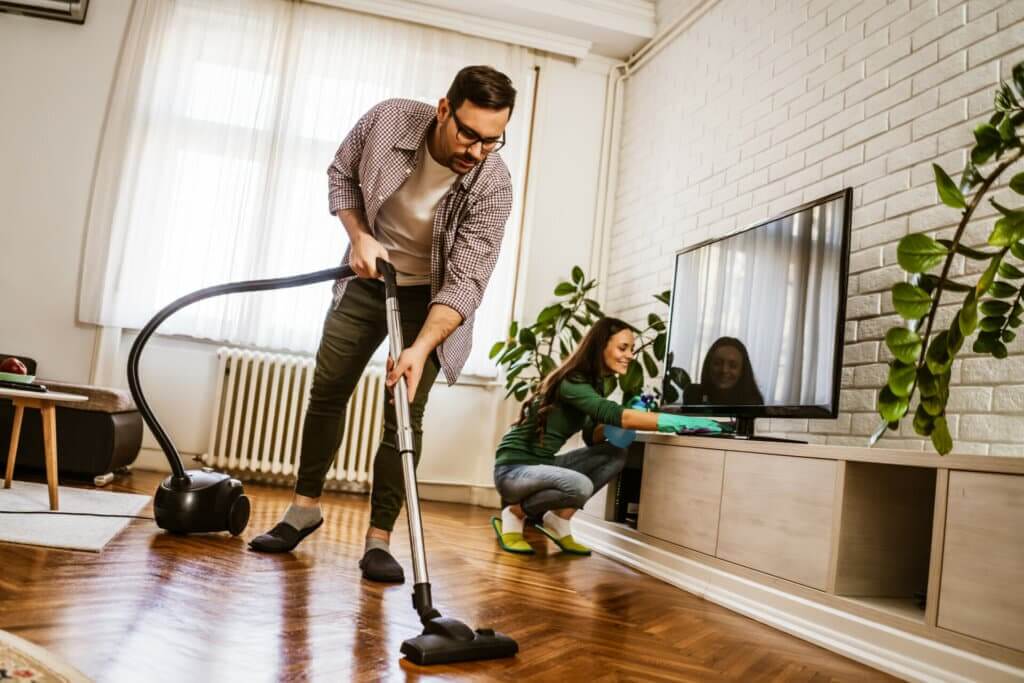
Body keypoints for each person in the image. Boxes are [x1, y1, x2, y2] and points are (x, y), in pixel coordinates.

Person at [250, 66, 517, 584]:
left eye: (492, 139)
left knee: (403, 415)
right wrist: (358, 236)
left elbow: (467, 281)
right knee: (327, 391)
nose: (476, 151)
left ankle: (379, 540)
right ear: (444, 110)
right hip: (366, 278)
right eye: (468, 134)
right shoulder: (391, 120)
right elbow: (341, 173)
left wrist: (419, 349)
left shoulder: (494, 184)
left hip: (432, 302)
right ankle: (303, 510)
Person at [491, 318, 722, 556]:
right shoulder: (572, 380)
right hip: (513, 470)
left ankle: (559, 521)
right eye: (623, 348)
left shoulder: (595, 384)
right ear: (601, 346)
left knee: (615, 455)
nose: (630, 355)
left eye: (631, 349)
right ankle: (515, 512)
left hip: (542, 466)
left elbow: (592, 437)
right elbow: (611, 412)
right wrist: (678, 422)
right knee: (579, 486)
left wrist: (617, 426)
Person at [684, 336, 764, 406]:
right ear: (708, 365)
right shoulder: (693, 394)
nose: (724, 370)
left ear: (742, 371)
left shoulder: (753, 403)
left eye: (733, 366)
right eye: (717, 363)